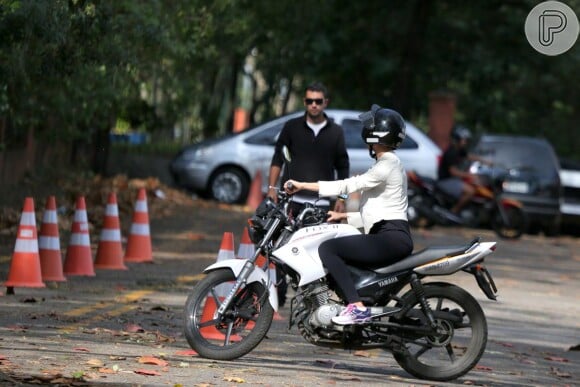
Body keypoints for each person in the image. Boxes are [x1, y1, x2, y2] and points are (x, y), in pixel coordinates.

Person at [284, 105, 413, 325]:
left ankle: (357, 307)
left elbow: (350, 184)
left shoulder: (388, 164)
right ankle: (353, 302)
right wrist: (342, 217)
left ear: (377, 134)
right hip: (391, 234)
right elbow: (381, 210)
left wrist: (303, 185)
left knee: (329, 249)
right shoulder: (387, 164)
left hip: (390, 237)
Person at [268, 81, 350, 307]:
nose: (313, 105)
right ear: (304, 102)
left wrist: (341, 199)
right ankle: (278, 296)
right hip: (290, 202)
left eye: (318, 101)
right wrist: (272, 190)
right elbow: (277, 158)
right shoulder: (292, 126)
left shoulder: (336, 132)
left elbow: (343, 167)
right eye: (309, 101)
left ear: (326, 103)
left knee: (315, 254)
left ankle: (312, 301)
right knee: (280, 249)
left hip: (321, 205)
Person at [437, 125, 490, 215]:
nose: (465, 142)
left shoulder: (459, 150)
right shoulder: (451, 152)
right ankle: (454, 211)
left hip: (453, 180)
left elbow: (469, 156)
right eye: (464, 139)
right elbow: (453, 171)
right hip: (445, 181)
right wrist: (470, 175)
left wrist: (485, 161)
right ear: (457, 139)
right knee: (470, 191)